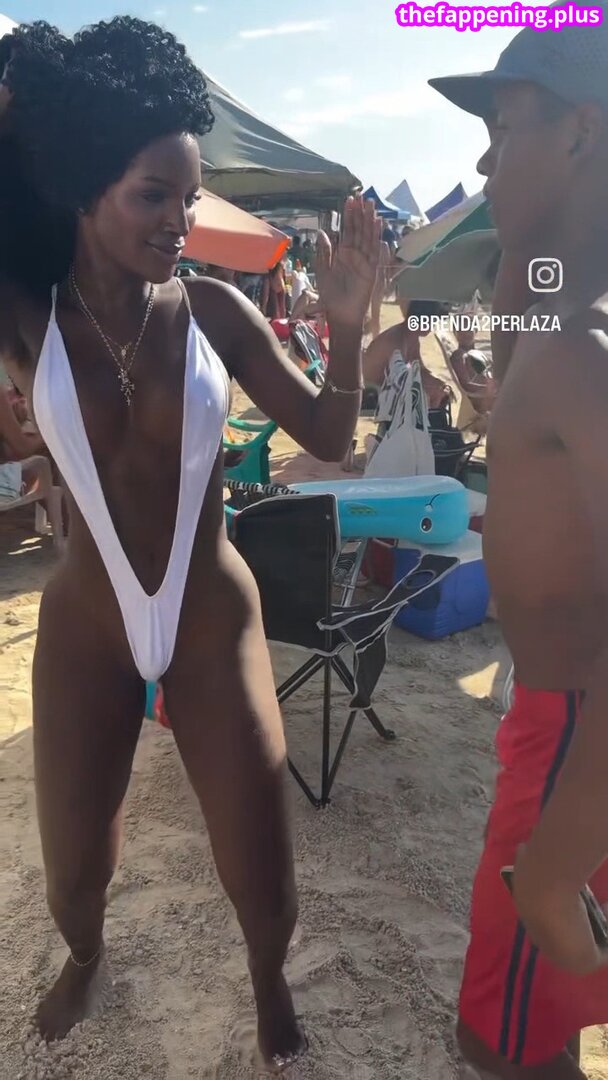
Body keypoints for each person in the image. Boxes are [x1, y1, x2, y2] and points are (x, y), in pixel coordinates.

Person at [0, 17, 381, 1068]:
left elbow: (327, 435)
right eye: (153, 195)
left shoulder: (212, 309)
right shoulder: (27, 312)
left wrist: (348, 329)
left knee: (260, 867)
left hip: (212, 612)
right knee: (73, 872)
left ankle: (268, 981)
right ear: (83, 188)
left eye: (190, 196)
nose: (180, 220)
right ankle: (87, 956)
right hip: (87, 623)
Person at [430, 8, 608, 1078]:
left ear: (582, 131)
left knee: (500, 1044)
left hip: (578, 733)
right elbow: (512, 335)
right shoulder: (556, 310)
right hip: (562, 718)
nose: (483, 163)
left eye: (503, 130)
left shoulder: (585, 349)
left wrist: (550, 866)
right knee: (551, 1013)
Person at [362, 298, 452, 411]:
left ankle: (432, 418)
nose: (432, 326)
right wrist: (430, 387)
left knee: (439, 390)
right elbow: (399, 379)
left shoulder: (411, 337)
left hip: (389, 387)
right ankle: (430, 419)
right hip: (372, 392)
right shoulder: (396, 340)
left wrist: (437, 382)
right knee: (431, 394)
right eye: (431, 322)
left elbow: (419, 369)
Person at [449, 326, 497, 434]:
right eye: (461, 330)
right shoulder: (459, 355)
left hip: (487, 397)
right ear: (455, 333)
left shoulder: (477, 354)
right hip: (480, 400)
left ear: (475, 330)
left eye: (468, 328)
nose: (465, 333)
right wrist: (490, 389)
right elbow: (466, 385)